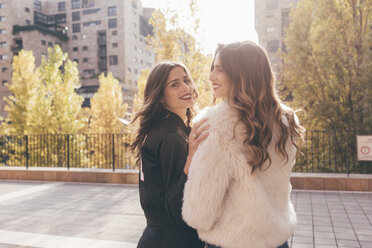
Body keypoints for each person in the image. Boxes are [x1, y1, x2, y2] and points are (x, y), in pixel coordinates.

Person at [182, 41, 305, 248]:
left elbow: (199, 213)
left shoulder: (215, 125)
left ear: (241, 74)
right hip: (276, 239)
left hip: (231, 242)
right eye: (212, 68)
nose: (211, 76)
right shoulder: (286, 121)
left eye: (220, 70)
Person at [131, 61, 207, 248]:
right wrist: (189, 163)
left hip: (155, 237)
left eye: (186, 80)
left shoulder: (160, 129)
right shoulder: (172, 137)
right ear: (161, 97)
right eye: (175, 84)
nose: (186, 88)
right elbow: (176, 208)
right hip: (174, 240)